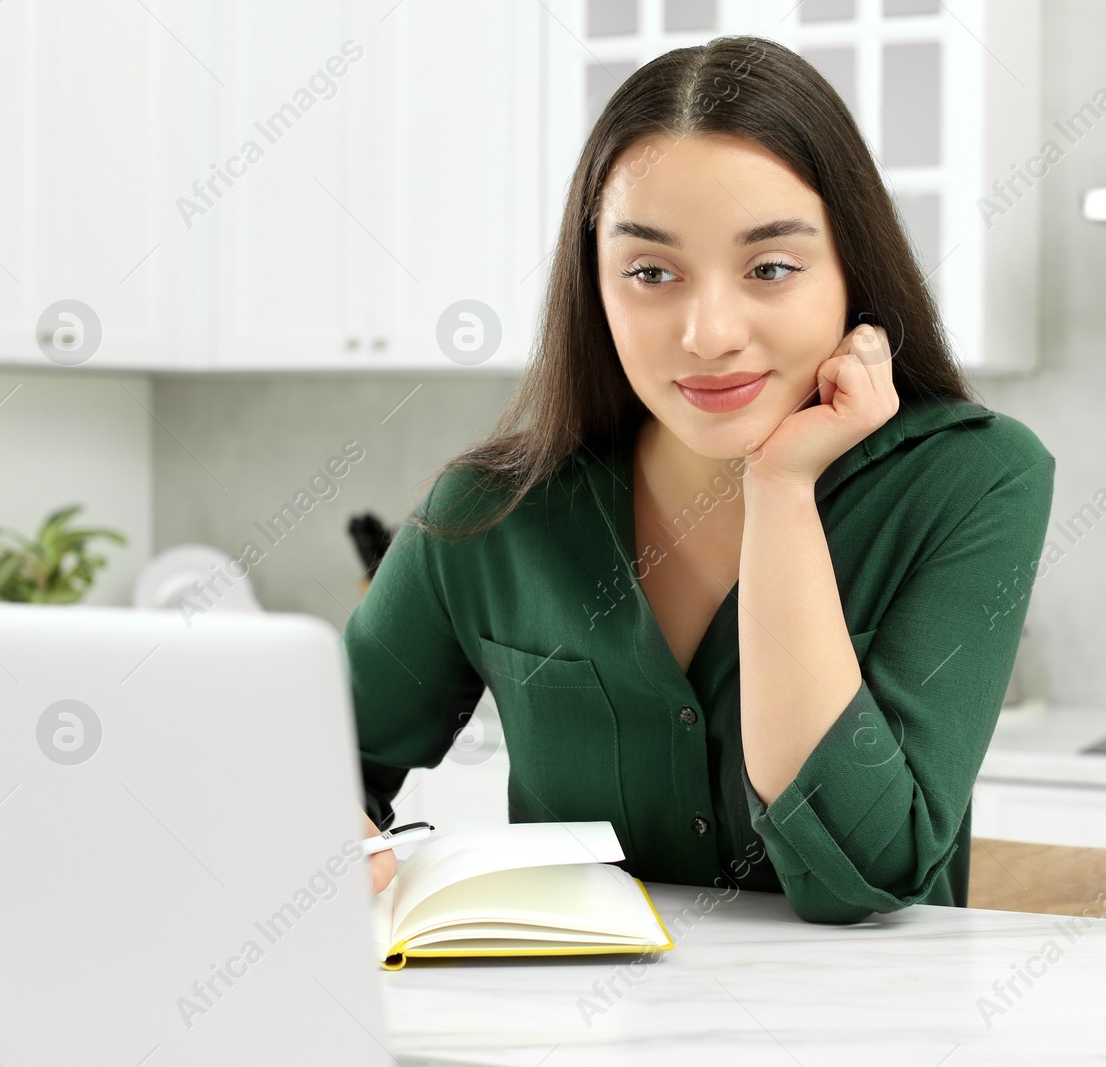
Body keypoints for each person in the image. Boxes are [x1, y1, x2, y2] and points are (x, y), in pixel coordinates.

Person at [347, 35, 1053, 923]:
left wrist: (782, 490)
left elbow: (866, 873)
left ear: (851, 274)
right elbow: (308, 764)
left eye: (770, 268)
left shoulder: (975, 480)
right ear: (594, 289)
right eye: (650, 272)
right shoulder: (495, 512)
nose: (710, 331)